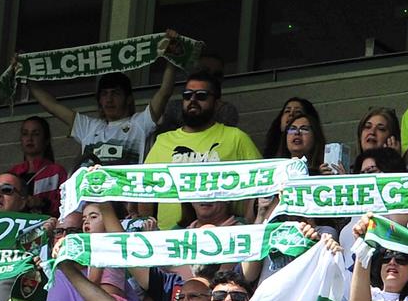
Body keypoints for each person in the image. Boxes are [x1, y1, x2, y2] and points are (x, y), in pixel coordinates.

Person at [142, 70, 260, 228]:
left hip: (226, 235)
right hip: (171, 240)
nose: (193, 99)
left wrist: (248, 222)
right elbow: (144, 189)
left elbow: (260, 185)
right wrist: (147, 224)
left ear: (217, 103)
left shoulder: (236, 137)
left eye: (202, 95)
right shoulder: (163, 140)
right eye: (187, 95)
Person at [22, 47, 178, 163]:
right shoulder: (89, 127)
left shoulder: (139, 123)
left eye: (115, 93)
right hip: (90, 200)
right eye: (104, 94)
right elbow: (51, 105)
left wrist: (171, 60)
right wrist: (26, 78)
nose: (109, 99)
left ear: (129, 99)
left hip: (123, 200)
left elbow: (164, 92)